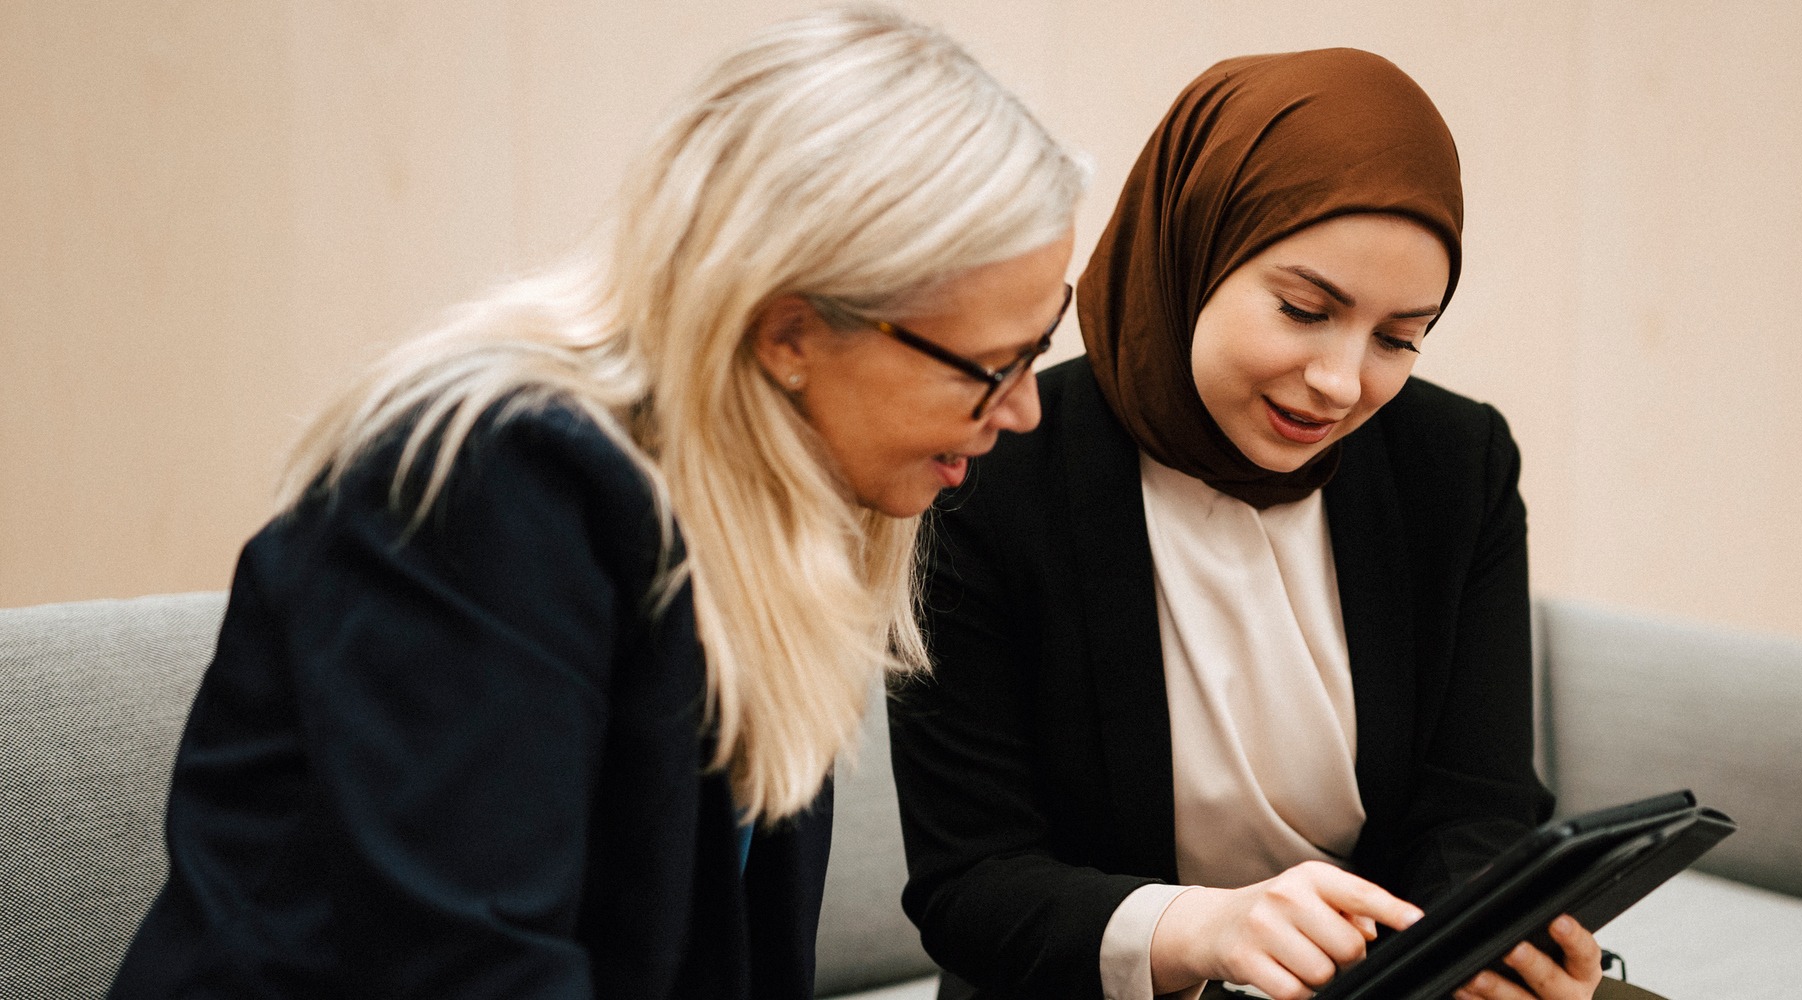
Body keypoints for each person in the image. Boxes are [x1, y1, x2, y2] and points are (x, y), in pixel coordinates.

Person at [106, 7, 1081, 999]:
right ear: (787, 332)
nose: (1026, 412)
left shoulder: (778, 518)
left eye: (1038, 346)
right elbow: (474, 970)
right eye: (992, 366)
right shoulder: (489, 486)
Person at [890, 48, 1661, 1000]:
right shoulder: (986, 475)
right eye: (1304, 310)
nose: (1341, 383)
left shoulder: (1455, 464)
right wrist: (1203, 929)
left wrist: (1484, 938)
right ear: (1193, 250)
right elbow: (972, 885)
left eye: (1398, 337)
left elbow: (1479, 800)